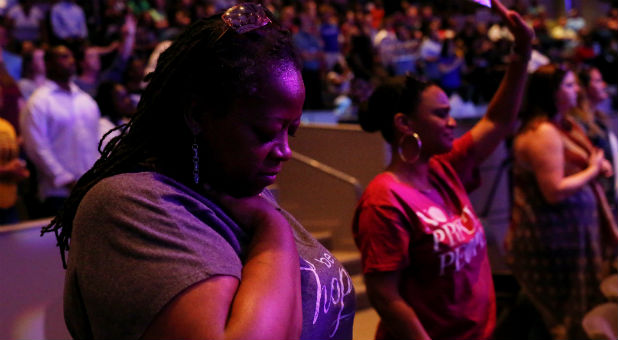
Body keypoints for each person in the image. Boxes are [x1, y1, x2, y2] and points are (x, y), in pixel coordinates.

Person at [42, 4, 355, 339]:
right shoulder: (131, 205)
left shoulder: (242, 194)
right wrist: (272, 227)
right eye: (265, 132)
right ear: (196, 114)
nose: (285, 151)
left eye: (290, 132)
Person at [352, 1, 533, 339]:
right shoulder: (384, 200)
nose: (452, 121)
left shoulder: (444, 167)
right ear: (405, 124)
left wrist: (521, 51)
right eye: (440, 114)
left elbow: (498, 120)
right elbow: (384, 296)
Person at [507, 63, 617, 339]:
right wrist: (592, 170)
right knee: (562, 321)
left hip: (570, 236)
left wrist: (596, 165)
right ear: (550, 93)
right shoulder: (543, 132)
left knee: (575, 316)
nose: (576, 89)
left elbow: (575, 164)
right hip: (553, 239)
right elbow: (554, 190)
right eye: (569, 85)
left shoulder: (563, 124)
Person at [20, 45, 100, 217]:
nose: (70, 60)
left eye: (71, 56)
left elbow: (97, 141)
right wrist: (65, 179)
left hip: (92, 189)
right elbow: (37, 147)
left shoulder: (86, 100)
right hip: (58, 194)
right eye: (63, 57)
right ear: (47, 63)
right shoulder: (39, 102)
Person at [572, 65, 618, 217]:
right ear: (584, 88)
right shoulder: (578, 124)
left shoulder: (599, 119)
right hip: (595, 205)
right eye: (598, 81)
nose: (604, 85)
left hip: (609, 200)